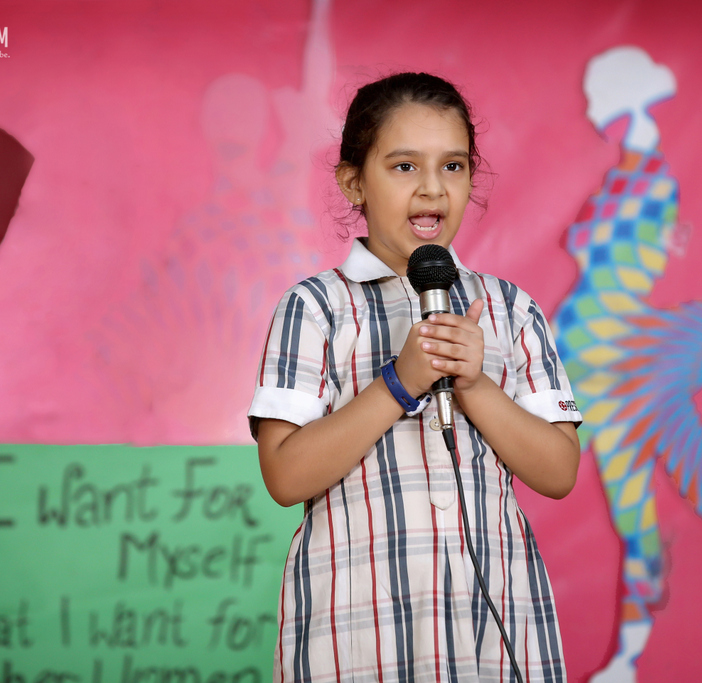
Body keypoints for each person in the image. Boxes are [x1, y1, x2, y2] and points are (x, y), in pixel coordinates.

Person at [248, 72, 582, 682]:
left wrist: (476, 385)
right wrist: (397, 384)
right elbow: (284, 475)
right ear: (354, 181)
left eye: (453, 167)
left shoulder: (510, 309)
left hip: (493, 627)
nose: (432, 189)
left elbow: (559, 472)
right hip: (356, 628)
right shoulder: (315, 307)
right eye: (404, 167)